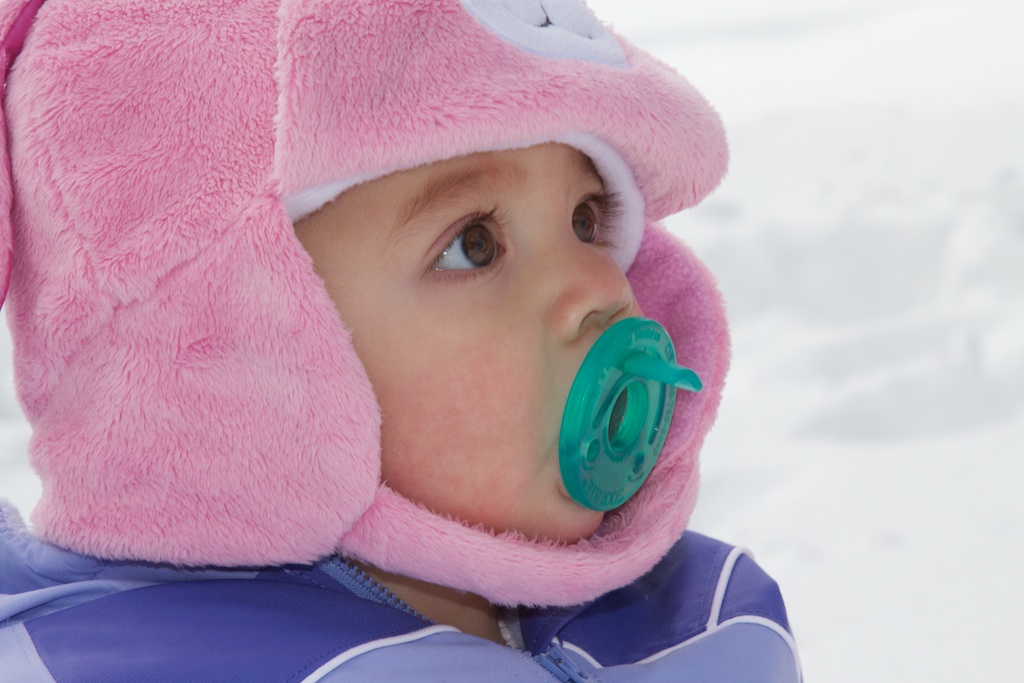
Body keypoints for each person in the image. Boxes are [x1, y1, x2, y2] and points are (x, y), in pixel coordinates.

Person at [0, 0, 802, 680]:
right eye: (475, 244)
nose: (602, 289)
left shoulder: (706, 623)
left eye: (587, 219)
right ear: (232, 355)